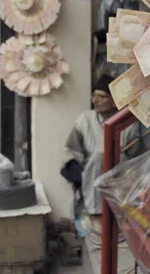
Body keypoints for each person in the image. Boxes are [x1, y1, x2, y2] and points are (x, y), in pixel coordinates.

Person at [61, 74, 144, 245]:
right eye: (94, 95)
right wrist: (82, 175)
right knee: (99, 158)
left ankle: (117, 218)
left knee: (111, 157)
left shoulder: (128, 123)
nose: (95, 100)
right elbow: (70, 153)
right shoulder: (85, 120)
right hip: (92, 177)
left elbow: (138, 158)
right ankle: (95, 215)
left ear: (115, 101)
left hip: (119, 176)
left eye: (102, 96)